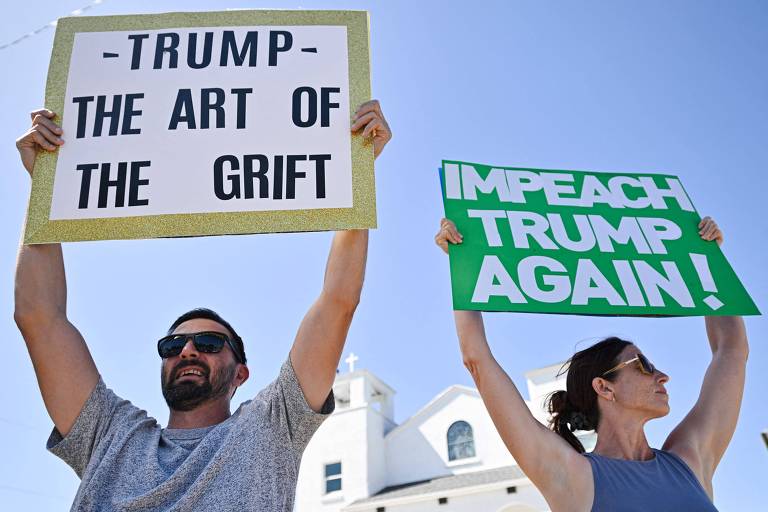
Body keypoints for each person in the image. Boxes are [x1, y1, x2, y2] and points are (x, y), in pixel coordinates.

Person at [13, 100, 391, 511]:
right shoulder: (110, 434)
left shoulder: (269, 428)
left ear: (241, 373)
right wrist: (44, 187)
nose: (188, 350)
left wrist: (357, 170)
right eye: (173, 346)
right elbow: (38, 317)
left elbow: (338, 303)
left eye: (209, 343)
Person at [435, 217, 747, 511]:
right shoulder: (573, 475)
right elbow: (477, 359)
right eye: (644, 365)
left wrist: (710, 261)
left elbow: (731, 350)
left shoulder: (689, 460)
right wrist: (460, 258)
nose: (663, 376)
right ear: (604, 387)